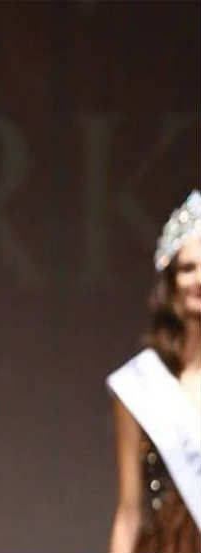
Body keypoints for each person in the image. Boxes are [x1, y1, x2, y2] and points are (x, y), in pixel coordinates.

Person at [107, 190, 201, 553]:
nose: (199, 279)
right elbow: (129, 512)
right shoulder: (141, 385)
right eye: (188, 268)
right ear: (171, 281)